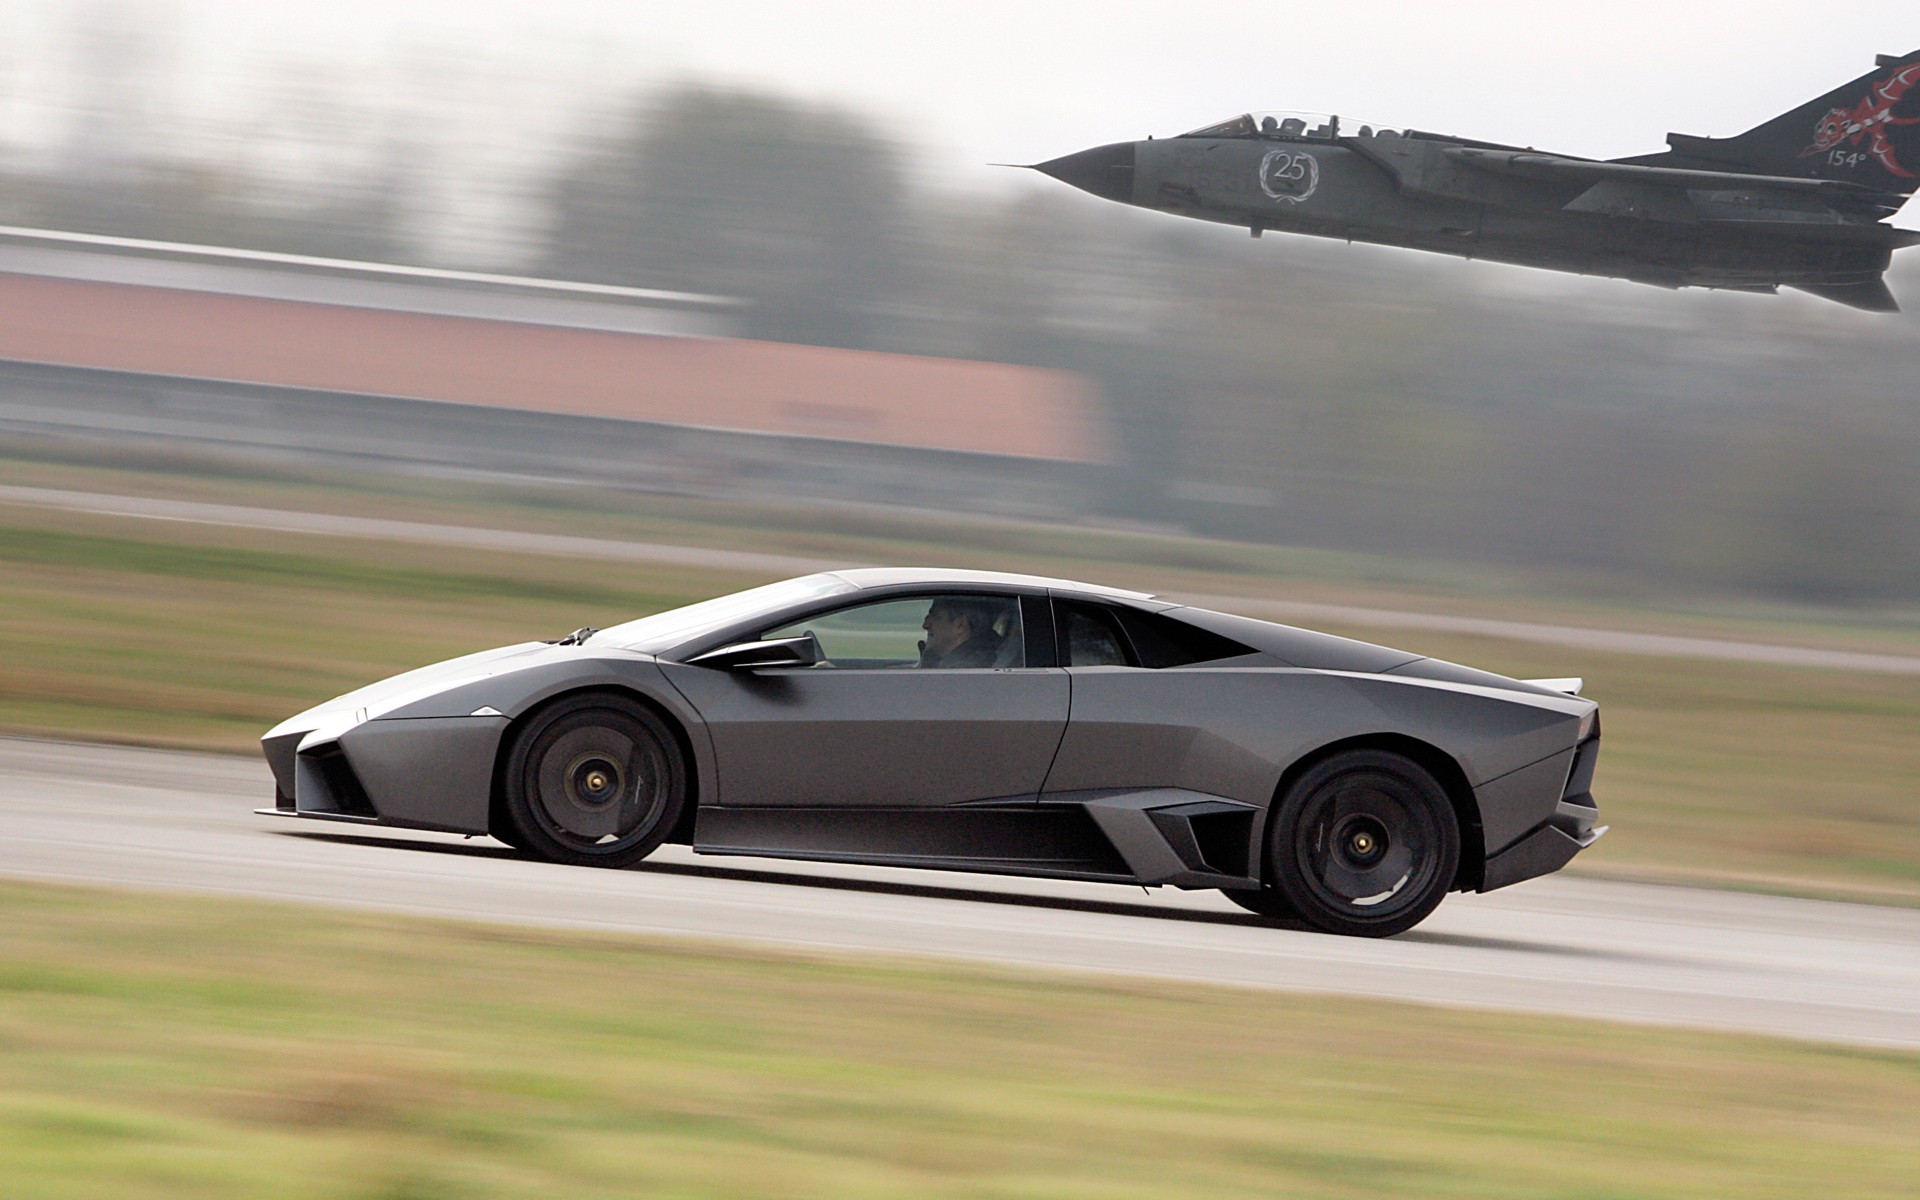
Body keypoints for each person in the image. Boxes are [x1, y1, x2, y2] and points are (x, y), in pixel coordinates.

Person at [918, 597, 1004, 668]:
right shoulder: (955, 664)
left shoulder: (965, 669)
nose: (925, 625)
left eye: (936, 617)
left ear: (960, 626)